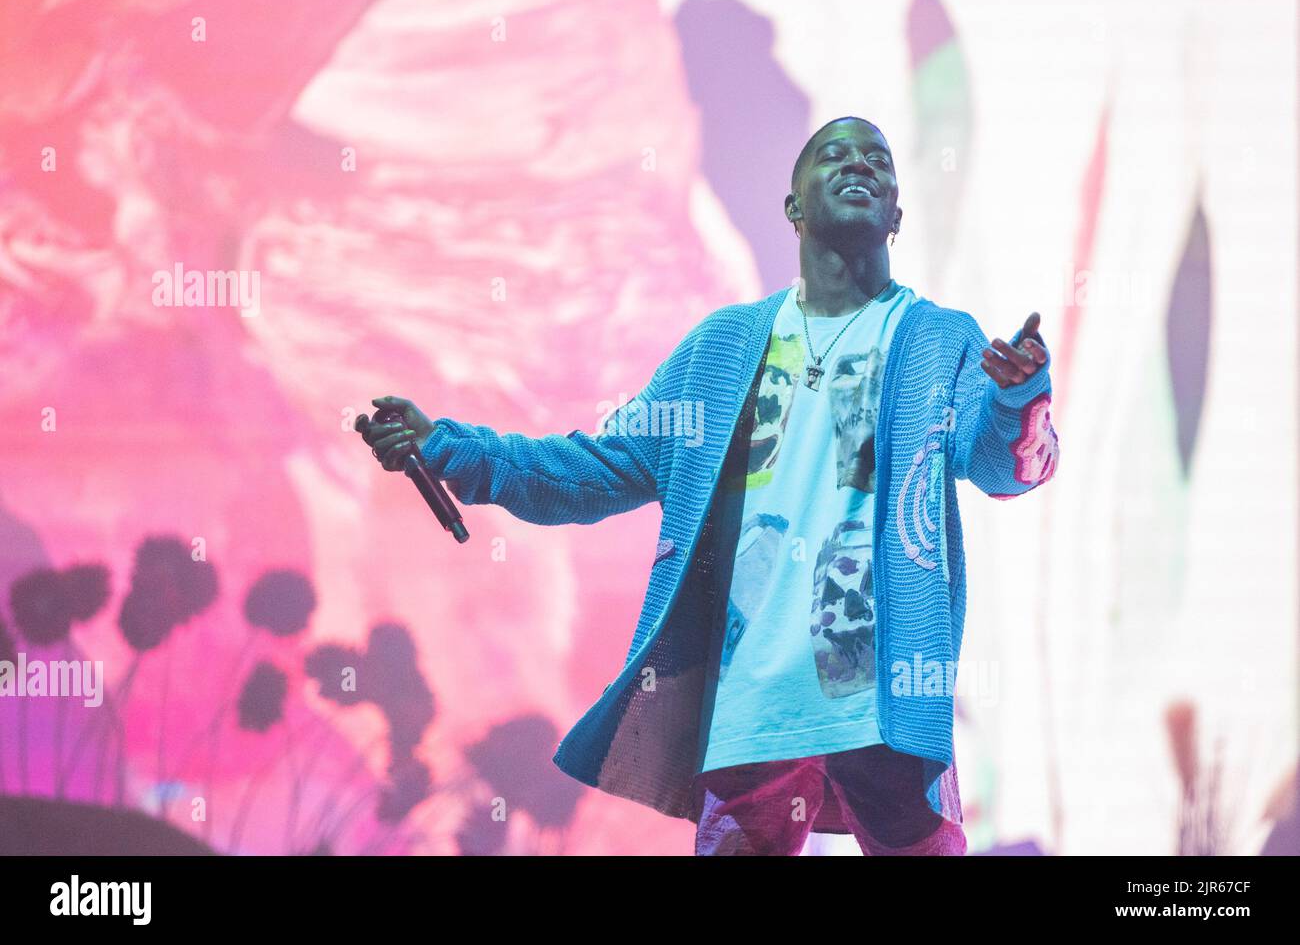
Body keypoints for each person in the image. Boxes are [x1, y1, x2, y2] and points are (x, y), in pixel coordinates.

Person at [355, 116, 1060, 856]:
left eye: (877, 160)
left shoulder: (938, 339)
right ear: (792, 207)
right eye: (834, 155)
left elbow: (1006, 466)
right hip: (751, 702)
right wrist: (448, 447)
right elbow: (596, 470)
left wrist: (1018, 395)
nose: (859, 165)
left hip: (881, 701)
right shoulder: (722, 349)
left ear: (897, 213)